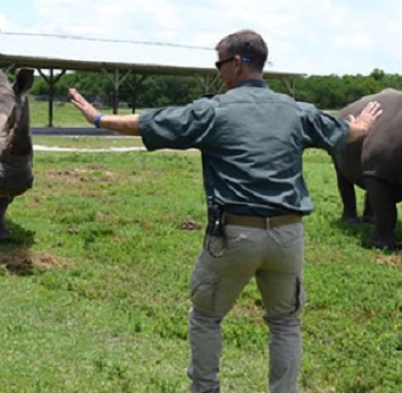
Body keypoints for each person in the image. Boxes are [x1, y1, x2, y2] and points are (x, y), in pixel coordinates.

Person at [68, 29, 382, 393]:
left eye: (219, 63)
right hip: (287, 236)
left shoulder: (213, 111)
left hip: (235, 234)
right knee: (285, 323)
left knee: (206, 317)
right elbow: (345, 133)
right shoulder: (297, 111)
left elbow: (152, 123)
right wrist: (361, 126)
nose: (217, 71)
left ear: (236, 64)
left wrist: (98, 118)